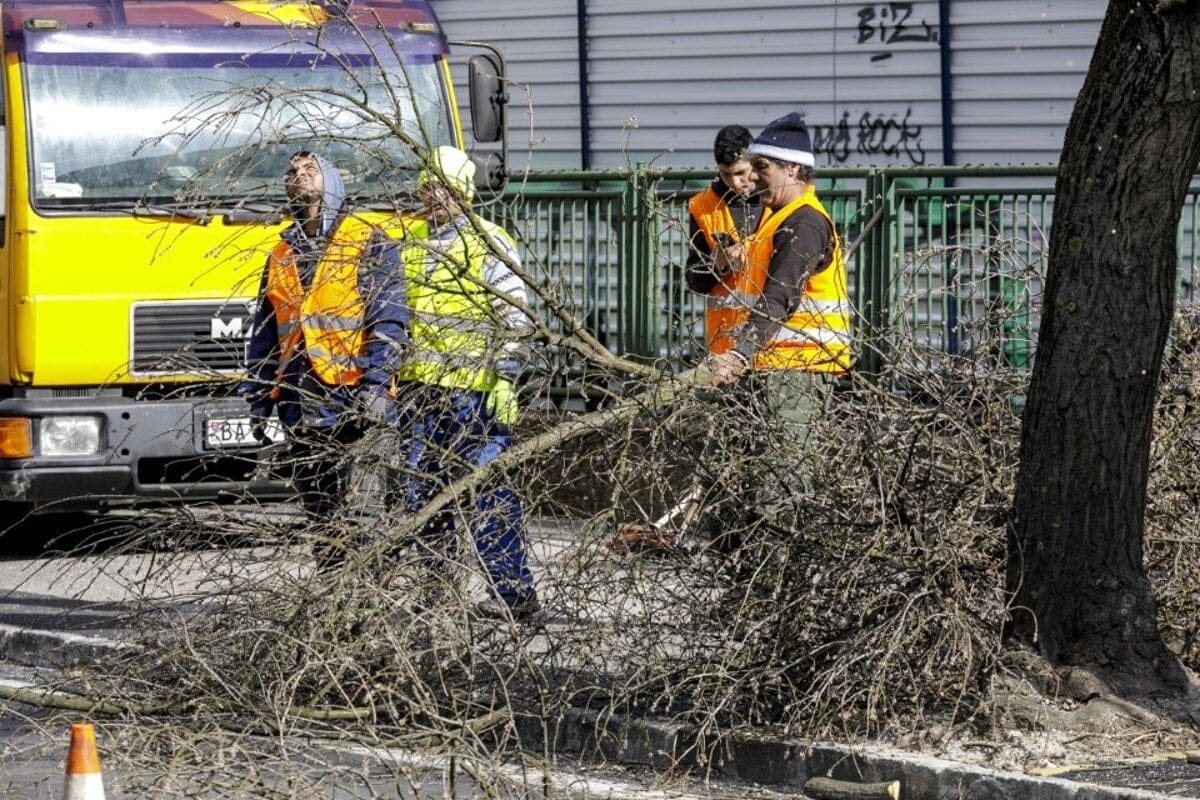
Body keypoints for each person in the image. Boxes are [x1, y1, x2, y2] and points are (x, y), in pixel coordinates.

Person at [239, 151, 409, 559]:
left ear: (331, 182)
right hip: (301, 407)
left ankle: (367, 609)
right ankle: (334, 613)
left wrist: (374, 386)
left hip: (355, 407)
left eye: (309, 169)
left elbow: (389, 322)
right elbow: (266, 336)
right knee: (323, 523)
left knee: (363, 521)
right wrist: (259, 399)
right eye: (292, 171)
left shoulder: (367, 240)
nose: (298, 175)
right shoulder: (281, 255)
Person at [396, 145, 540, 621]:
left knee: (489, 494)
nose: (434, 196)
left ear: (465, 193)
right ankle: (437, 591)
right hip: (422, 394)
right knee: (425, 495)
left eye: (446, 187)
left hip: (474, 395)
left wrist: (507, 375)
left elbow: (515, 315)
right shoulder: (410, 243)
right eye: (429, 186)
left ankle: (514, 594)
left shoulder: (488, 241)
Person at [708, 111, 853, 402]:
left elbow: (779, 297)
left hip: (798, 374)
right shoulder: (780, 218)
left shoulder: (803, 223)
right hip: (779, 369)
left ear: (792, 169)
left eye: (761, 167)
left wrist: (740, 354)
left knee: (788, 450)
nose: (752, 177)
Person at [684, 124, 768, 355]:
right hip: (726, 344)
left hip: (772, 339)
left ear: (755, 163)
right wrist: (715, 266)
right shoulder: (702, 206)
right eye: (725, 174)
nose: (735, 182)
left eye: (741, 173)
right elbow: (693, 279)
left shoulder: (777, 198)